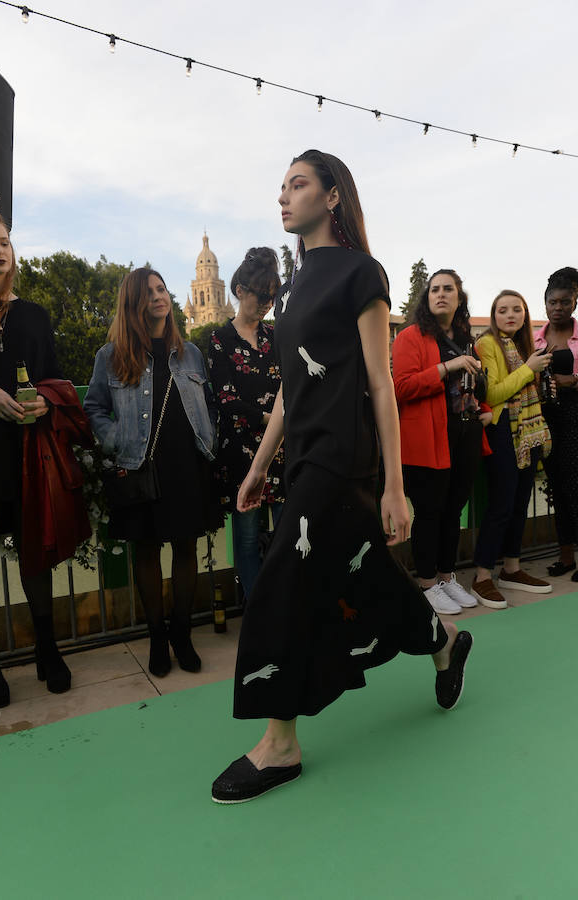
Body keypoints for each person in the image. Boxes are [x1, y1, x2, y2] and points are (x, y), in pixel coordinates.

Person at [211, 150, 472, 805]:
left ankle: (281, 744)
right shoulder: (290, 289)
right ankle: (442, 642)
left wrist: (393, 484)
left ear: (332, 197)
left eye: (297, 184)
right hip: (302, 456)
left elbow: (382, 384)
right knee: (367, 574)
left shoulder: (363, 274)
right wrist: (259, 465)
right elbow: (288, 392)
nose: (284, 195)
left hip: (341, 460)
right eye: (281, 186)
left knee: (280, 580)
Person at [84, 268, 216, 677]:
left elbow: (208, 402)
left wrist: (208, 437)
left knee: (185, 549)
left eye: (162, 289)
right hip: (140, 464)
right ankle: (157, 636)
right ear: (134, 303)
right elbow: (93, 408)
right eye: (150, 292)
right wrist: (119, 440)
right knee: (146, 550)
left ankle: (182, 633)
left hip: (185, 462)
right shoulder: (111, 355)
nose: (160, 296)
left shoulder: (189, 352)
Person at [0, 208, 75, 707]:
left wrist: (43, 398)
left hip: (27, 452)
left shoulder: (35, 314)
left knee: (34, 558)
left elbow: (55, 377)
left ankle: (47, 649)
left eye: (5, 240)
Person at [392, 269, 492, 615]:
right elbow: (401, 387)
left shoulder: (467, 339)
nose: (441, 294)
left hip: (465, 434)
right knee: (430, 513)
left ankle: (447, 577)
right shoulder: (410, 337)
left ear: (459, 297)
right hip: (428, 437)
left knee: (454, 512)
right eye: (434, 289)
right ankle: (427, 584)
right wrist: (446, 369)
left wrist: (487, 409)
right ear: (427, 296)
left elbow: (477, 384)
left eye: (448, 289)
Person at [208, 248, 285, 603]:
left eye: (272, 296)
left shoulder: (276, 337)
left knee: (287, 533)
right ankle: (258, 614)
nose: (268, 303)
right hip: (242, 454)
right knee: (248, 539)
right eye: (261, 295)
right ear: (240, 290)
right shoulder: (219, 340)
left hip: (283, 452)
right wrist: (274, 421)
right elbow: (226, 400)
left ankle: (286, 607)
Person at [472, 291, 553, 608]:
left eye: (516, 309)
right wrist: (528, 368)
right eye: (502, 310)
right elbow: (492, 393)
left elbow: (526, 387)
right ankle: (482, 575)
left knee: (520, 501)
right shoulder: (487, 343)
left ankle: (512, 567)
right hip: (503, 429)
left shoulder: (525, 345)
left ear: (524, 314)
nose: (510, 315)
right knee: (501, 503)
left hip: (530, 430)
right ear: (493, 315)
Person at [534, 268, 578, 579]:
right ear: (545, 303)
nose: (558, 307)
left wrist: (575, 380)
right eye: (553, 302)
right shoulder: (535, 337)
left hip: (575, 415)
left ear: (575, 302)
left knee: (575, 487)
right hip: (546, 417)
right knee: (557, 489)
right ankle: (566, 557)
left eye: (565, 302)